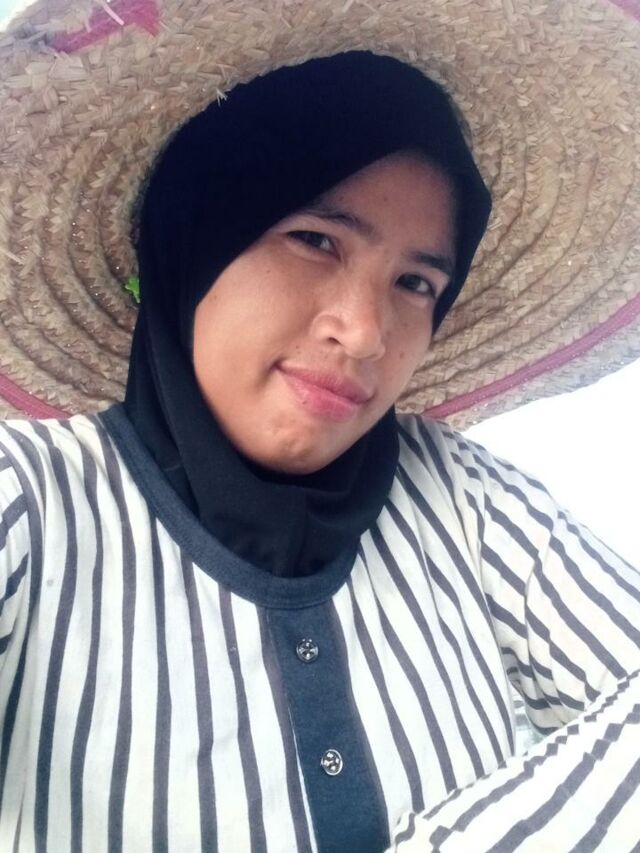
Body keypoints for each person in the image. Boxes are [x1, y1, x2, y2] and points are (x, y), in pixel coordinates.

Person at [0, 2, 639, 852]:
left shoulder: (461, 497)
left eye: (416, 284)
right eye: (314, 239)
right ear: (193, 245)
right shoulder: (30, 502)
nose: (366, 332)